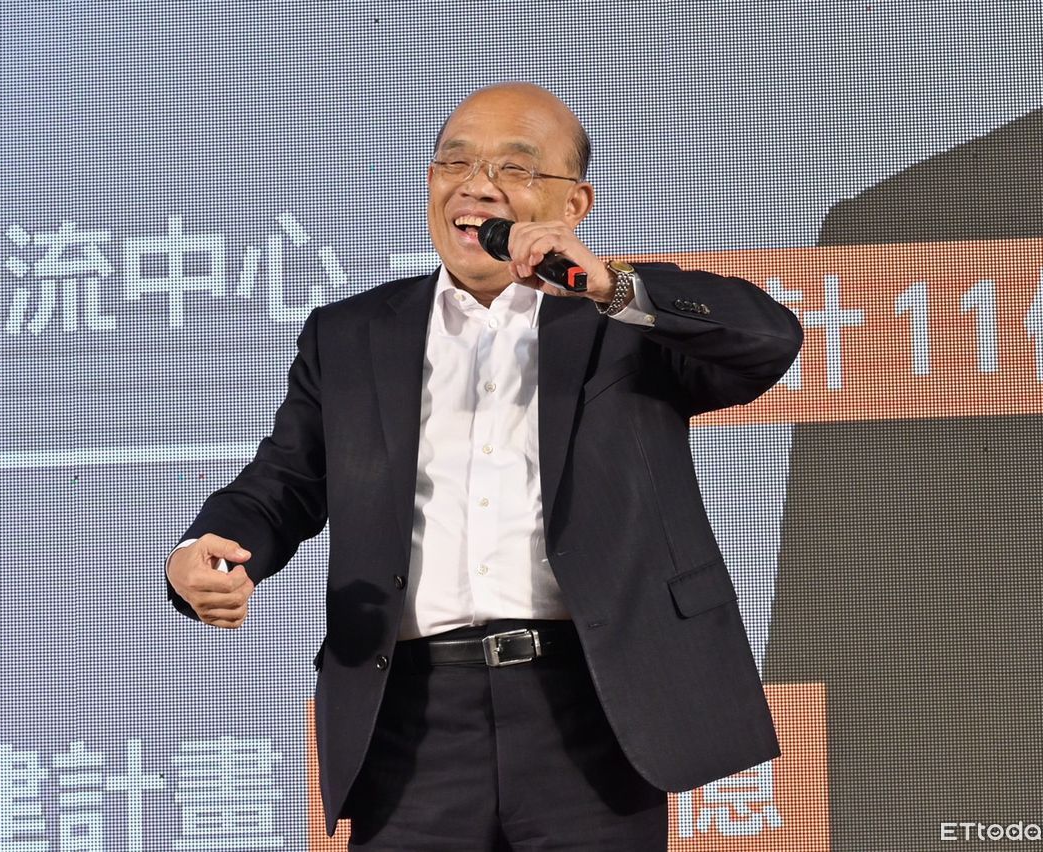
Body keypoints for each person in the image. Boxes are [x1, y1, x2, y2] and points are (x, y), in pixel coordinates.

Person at [166, 82, 803, 850]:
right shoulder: (352, 334)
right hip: (410, 723)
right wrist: (204, 549)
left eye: (515, 168)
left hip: (594, 711)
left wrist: (611, 285)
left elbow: (768, 340)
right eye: (456, 163)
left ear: (574, 204)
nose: (478, 186)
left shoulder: (623, 320)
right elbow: (285, 483)